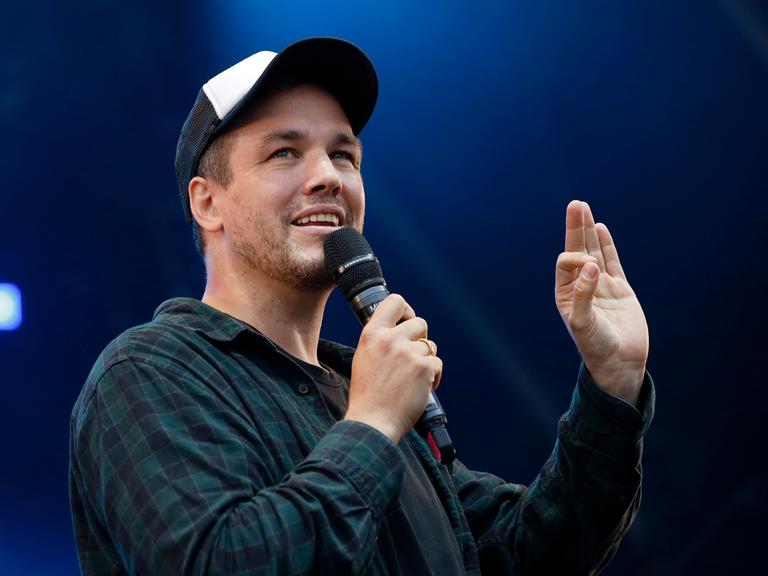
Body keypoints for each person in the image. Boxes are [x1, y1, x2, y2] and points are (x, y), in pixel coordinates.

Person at [69, 37, 655, 575]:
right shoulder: (151, 373)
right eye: (283, 153)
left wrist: (613, 382)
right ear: (208, 202)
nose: (327, 176)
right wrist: (374, 424)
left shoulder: (361, 386)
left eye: (344, 155)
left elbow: (530, 551)